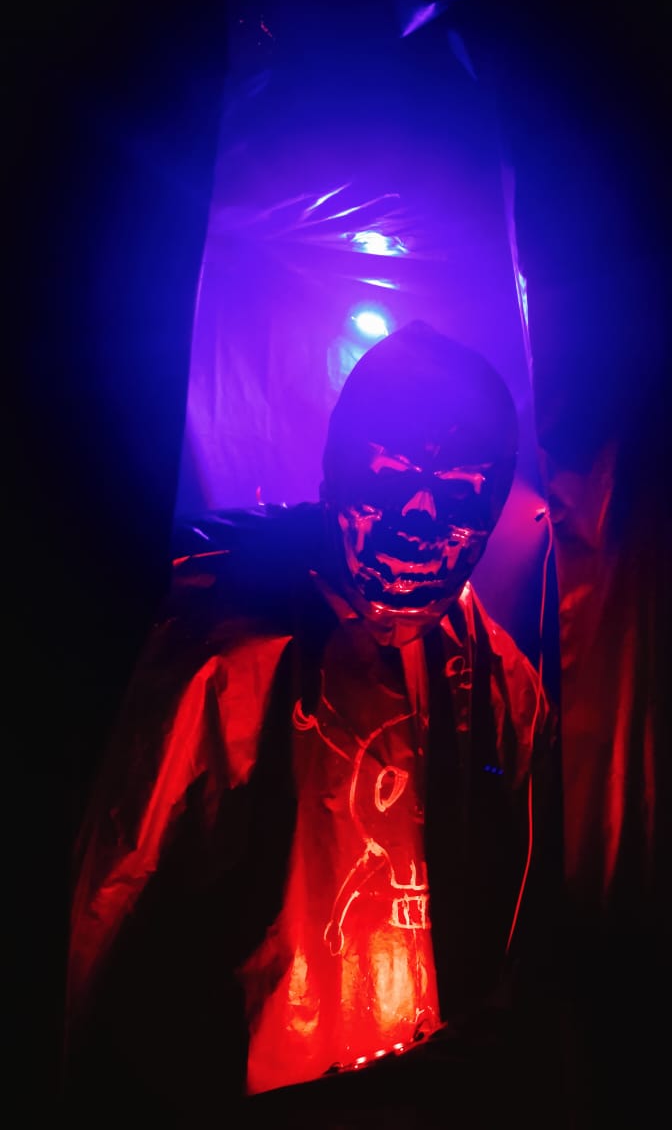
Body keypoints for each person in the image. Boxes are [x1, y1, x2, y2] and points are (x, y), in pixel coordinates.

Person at [63, 320, 562, 1124]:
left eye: (461, 489)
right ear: (338, 464)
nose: (418, 518)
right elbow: (107, 901)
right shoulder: (216, 644)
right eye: (390, 475)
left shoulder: (499, 680)